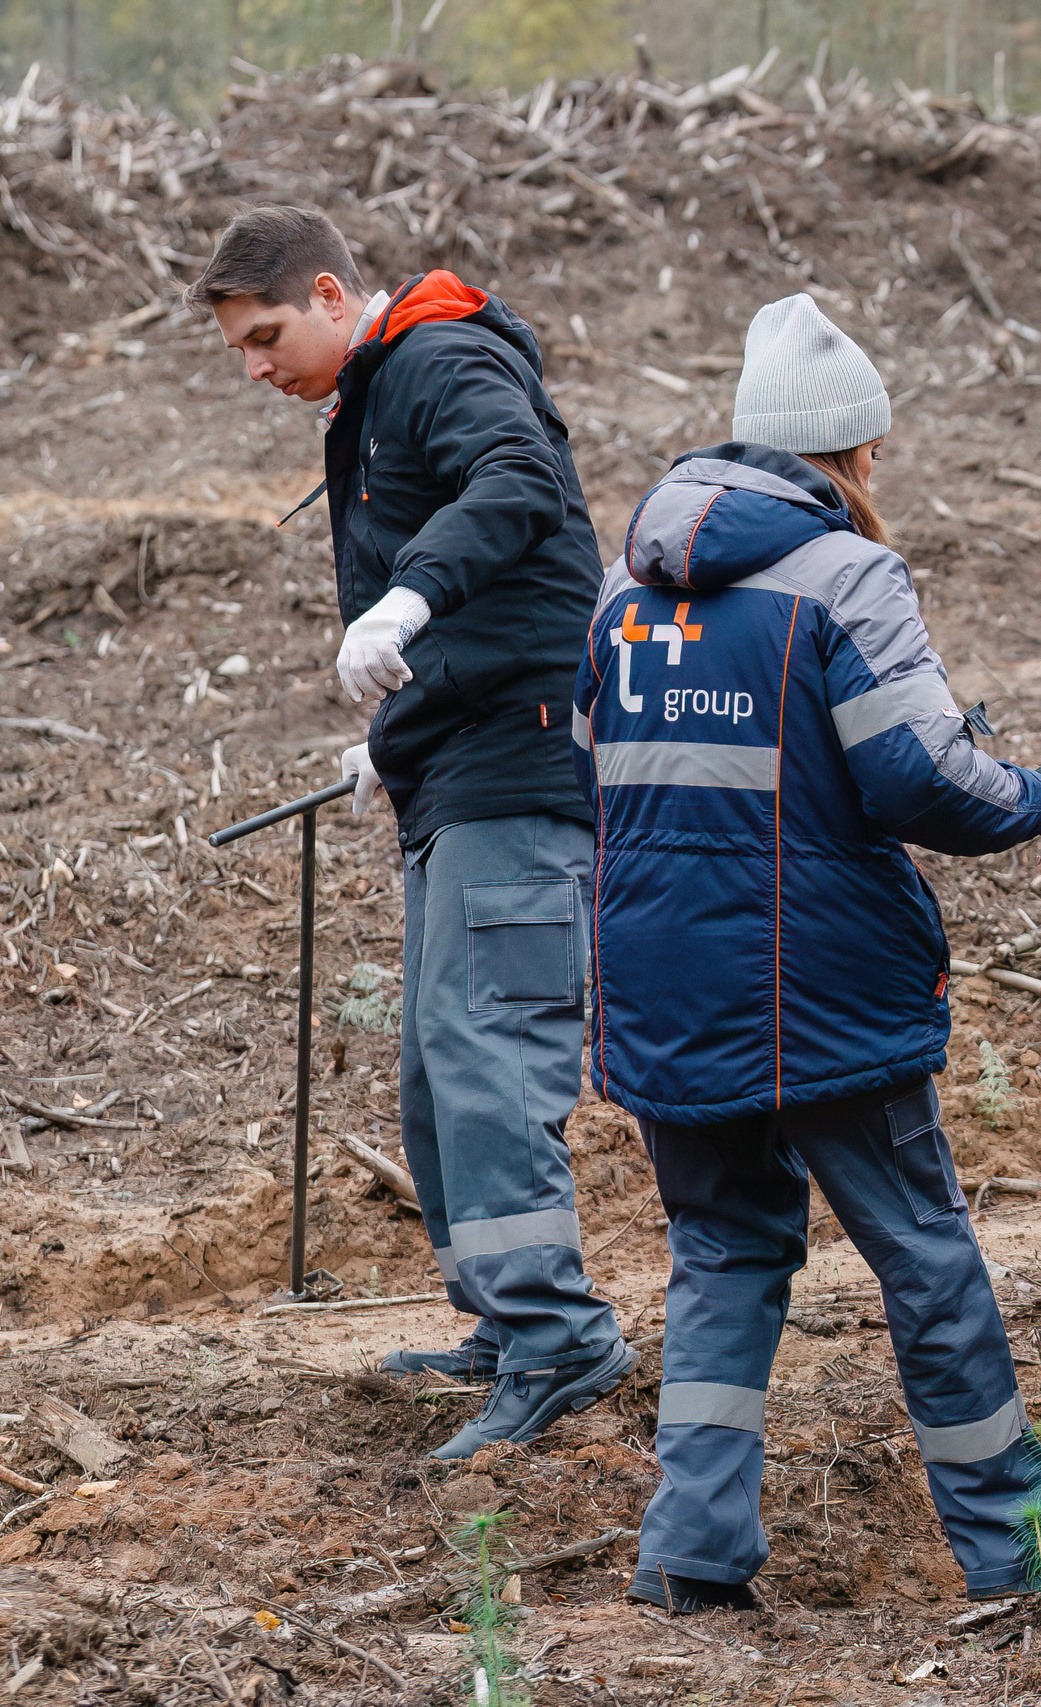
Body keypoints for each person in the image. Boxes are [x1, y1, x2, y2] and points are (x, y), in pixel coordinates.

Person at [576, 294, 1041, 1612]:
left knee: (722, 1253)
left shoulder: (623, 588)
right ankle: (1019, 1553)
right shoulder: (843, 577)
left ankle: (690, 1554)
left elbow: (588, 775)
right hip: (819, 993)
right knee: (926, 1257)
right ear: (851, 451)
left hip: (663, 987)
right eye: (874, 450)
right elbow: (922, 777)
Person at [191, 207, 632, 1459]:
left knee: (490, 1051)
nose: (256, 368)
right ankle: (505, 1318)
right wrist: (393, 737)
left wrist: (406, 599)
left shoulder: (440, 359)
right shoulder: (379, 393)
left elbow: (519, 483)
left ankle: (559, 1337)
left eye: (268, 336)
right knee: (442, 1062)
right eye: (239, 349)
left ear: (334, 297)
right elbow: (488, 598)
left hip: (519, 763)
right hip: (457, 763)